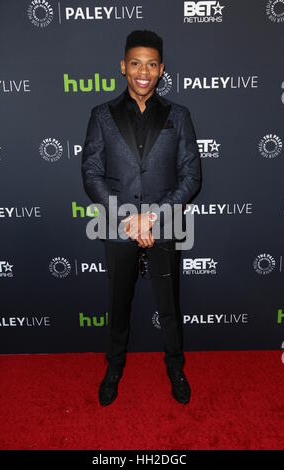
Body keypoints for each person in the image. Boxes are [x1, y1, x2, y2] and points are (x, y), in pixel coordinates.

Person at [81, 29, 201, 406]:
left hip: (165, 226)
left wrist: (152, 218)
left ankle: (175, 366)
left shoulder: (178, 116)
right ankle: (114, 366)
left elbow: (191, 177)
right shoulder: (101, 115)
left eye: (151, 64)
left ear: (161, 69)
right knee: (118, 306)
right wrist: (129, 219)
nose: (143, 71)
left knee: (170, 307)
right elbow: (91, 174)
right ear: (123, 66)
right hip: (118, 229)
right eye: (136, 63)